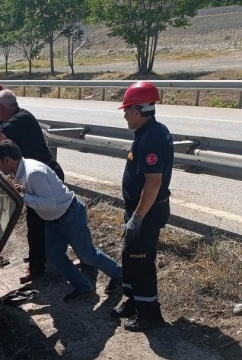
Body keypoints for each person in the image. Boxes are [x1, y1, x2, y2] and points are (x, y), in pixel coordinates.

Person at [0, 140, 122, 302]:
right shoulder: (22, 172)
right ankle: (84, 287)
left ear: (7, 160)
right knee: (54, 256)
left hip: (70, 215)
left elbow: (49, 203)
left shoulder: (33, 173)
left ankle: (119, 275)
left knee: (87, 255)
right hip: (54, 219)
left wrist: (24, 197)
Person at [0, 89, 67, 283]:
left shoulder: (19, 119)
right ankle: (46, 258)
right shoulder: (11, 117)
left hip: (45, 176)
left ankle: (38, 267)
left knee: (49, 221)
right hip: (35, 177)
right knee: (47, 221)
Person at [111, 82, 173, 331]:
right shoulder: (150, 132)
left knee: (141, 259)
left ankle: (149, 315)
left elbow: (153, 182)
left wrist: (137, 217)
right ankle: (133, 301)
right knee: (130, 254)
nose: (124, 114)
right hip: (140, 209)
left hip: (147, 212)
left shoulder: (150, 138)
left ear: (137, 111)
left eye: (126, 110)